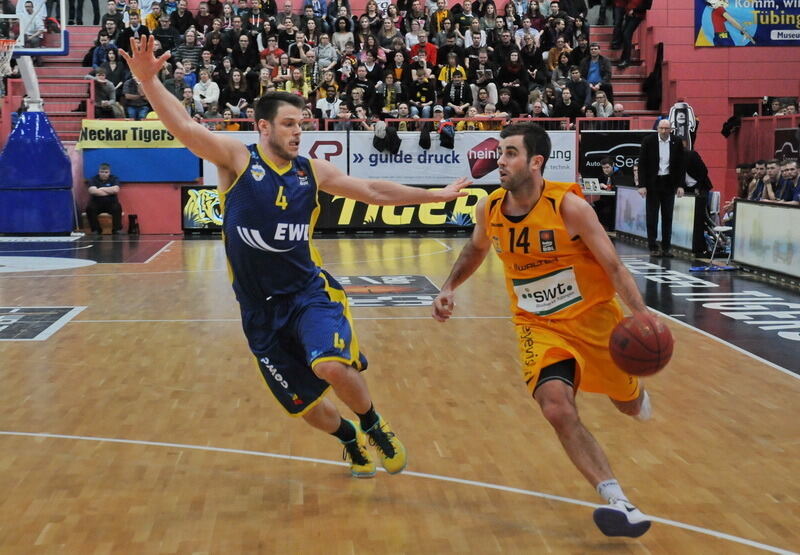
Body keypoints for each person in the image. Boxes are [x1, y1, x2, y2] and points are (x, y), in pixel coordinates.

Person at [121, 35, 472, 479]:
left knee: (328, 363)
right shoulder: (237, 161)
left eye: (300, 124)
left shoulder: (312, 172)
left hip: (308, 293)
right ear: (263, 127)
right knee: (304, 407)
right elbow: (187, 129)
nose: (298, 131)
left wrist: (435, 194)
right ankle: (349, 438)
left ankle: (374, 425)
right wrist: (148, 82)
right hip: (258, 310)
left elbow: (372, 191)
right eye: (288, 124)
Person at [432, 122, 653, 538]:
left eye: (511, 153)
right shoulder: (491, 207)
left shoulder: (569, 207)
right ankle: (618, 501)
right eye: (500, 152)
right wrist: (448, 287)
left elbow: (613, 266)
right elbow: (476, 249)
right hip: (538, 324)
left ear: (536, 162)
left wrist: (640, 314)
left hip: (594, 321)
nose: (500, 160)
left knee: (627, 405)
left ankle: (634, 392)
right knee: (555, 406)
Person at [638, 118, 685, 257]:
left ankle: (666, 246)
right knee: (652, 216)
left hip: (668, 182)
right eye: (661, 128)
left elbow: (681, 166)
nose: (664, 131)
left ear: (671, 129)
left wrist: (680, 185)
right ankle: (653, 246)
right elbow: (642, 164)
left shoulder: (676, 142)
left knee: (668, 216)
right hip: (653, 182)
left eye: (667, 129)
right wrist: (642, 185)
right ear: (657, 128)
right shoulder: (648, 141)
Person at [86, 163, 123, 235]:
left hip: (111, 203)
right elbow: (92, 191)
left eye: (106, 172)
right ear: (99, 172)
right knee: (89, 208)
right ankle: (96, 230)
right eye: (102, 172)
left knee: (117, 207)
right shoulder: (93, 179)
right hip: (97, 203)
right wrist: (109, 191)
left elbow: (115, 190)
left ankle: (116, 230)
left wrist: (101, 189)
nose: (104, 174)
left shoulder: (114, 178)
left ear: (109, 172)